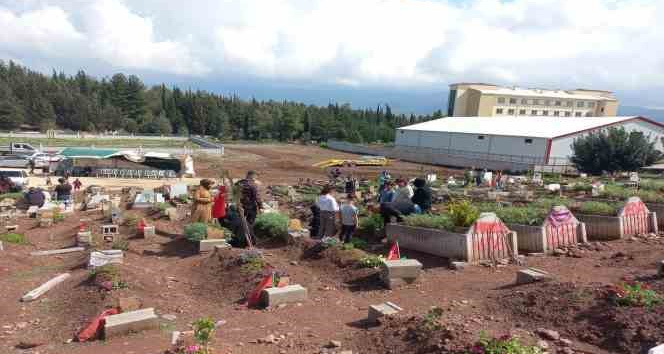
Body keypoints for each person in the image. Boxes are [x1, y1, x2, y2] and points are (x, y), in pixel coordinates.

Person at [237, 171, 262, 242]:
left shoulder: (238, 183)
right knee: (250, 223)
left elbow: (234, 194)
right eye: (255, 177)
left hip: (240, 206)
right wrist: (260, 206)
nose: (255, 179)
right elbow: (257, 197)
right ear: (252, 176)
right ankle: (250, 239)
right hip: (250, 207)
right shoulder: (252, 185)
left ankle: (240, 238)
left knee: (240, 222)